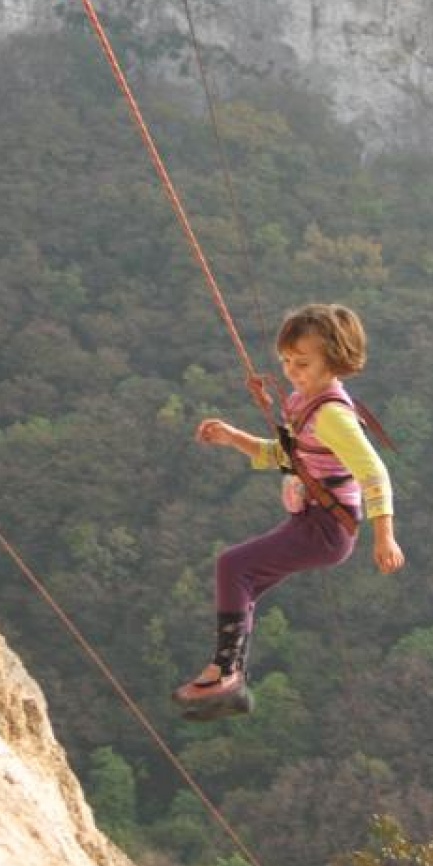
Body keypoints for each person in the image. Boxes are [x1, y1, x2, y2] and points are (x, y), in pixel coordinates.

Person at [173, 303, 405, 719]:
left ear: (333, 362)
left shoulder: (332, 415)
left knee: (234, 567)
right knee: (241, 583)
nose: (292, 371)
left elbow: (374, 473)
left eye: (302, 363)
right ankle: (230, 682)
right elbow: (286, 457)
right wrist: (234, 437)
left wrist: (384, 534)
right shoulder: (304, 402)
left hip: (326, 529)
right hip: (313, 520)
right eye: (286, 361)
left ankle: (225, 674)